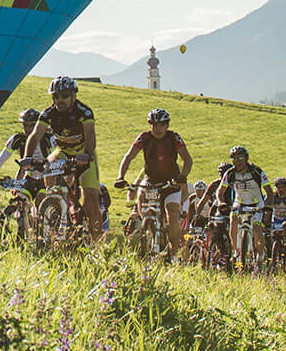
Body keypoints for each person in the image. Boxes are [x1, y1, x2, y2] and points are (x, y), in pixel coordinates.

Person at [29, 77, 101, 238]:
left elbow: (90, 134)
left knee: (90, 202)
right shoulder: (48, 113)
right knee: (49, 167)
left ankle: (98, 245)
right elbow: (35, 135)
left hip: (83, 152)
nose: (60, 100)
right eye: (56, 96)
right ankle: (56, 208)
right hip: (63, 151)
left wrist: (87, 154)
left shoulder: (84, 111)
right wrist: (27, 158)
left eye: (64, 95)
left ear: (73, 96)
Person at [115, 107, 190, 257]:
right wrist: (120, 177)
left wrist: (183, 175)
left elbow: (187, 159)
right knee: (142, 199)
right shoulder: (144, 137)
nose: (157, 128)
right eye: (154, 125)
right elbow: (129, 157)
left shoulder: (173, 137)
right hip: (151, 181)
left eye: (161, 125)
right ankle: (146, 228)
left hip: (171, 183)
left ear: (166, 125)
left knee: (172, 214)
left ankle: (174, 254)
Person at [220, 145, 271, 267]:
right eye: (235, 159)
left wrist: (268, 206)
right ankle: (236, 251)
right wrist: (221, 202)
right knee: (233, 220)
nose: (238, 161)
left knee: (257, 230)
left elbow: (269, 191)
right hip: (240, 203)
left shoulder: (256, 172)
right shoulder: (230, 173)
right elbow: (220, 191)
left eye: (241, 157)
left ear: (246, 158)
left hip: (257, 204)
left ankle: (260, 255)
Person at [0, 108, 44, 183]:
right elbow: (1, 158)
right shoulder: (17, 139)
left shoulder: (48, 138)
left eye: (31, 126)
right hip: (29, 177)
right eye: (25, 125)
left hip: (49, 178)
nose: (27, 129)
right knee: (18, 193)